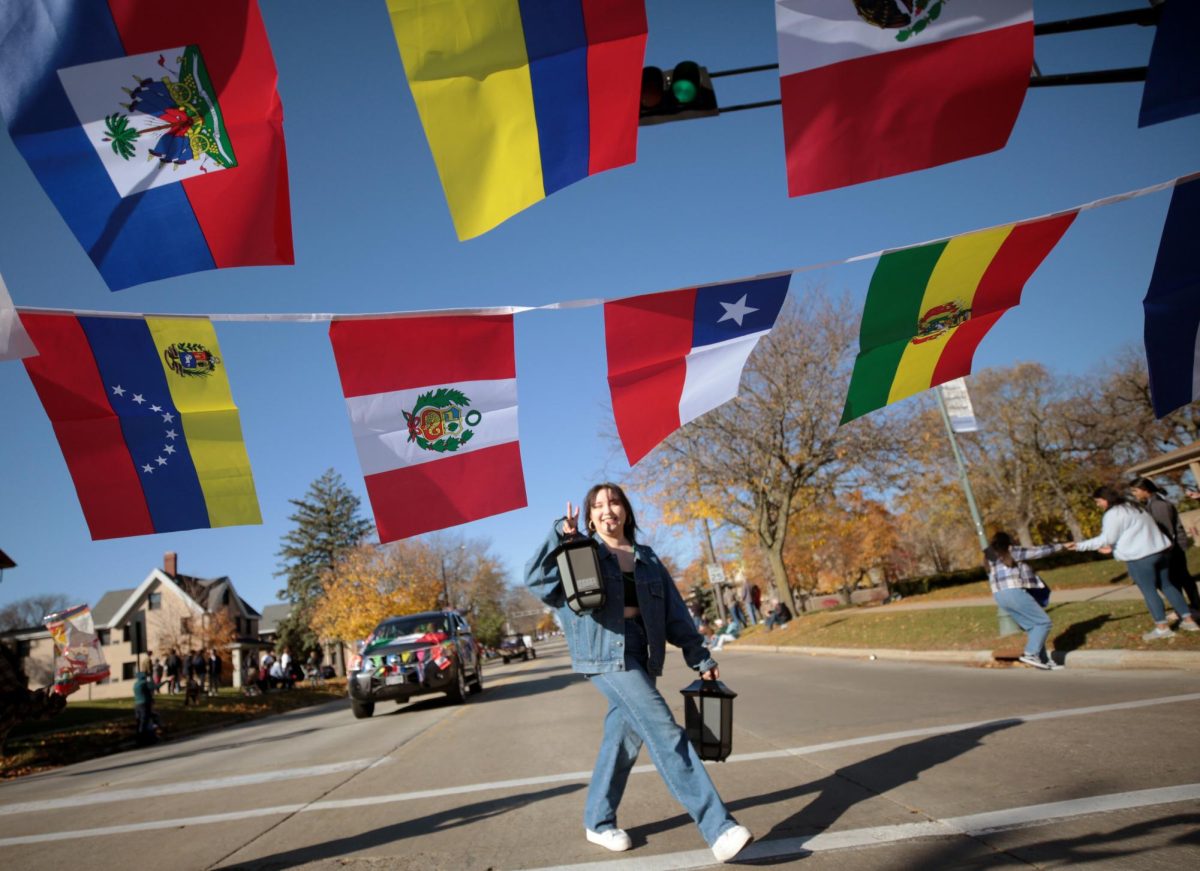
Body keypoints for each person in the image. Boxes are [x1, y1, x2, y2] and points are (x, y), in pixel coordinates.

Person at [525, 483, 752, 864]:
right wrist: (558, 535)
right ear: (589, 515)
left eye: (613, 502)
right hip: (603, 653)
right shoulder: (580, 552)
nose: (606, 509)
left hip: (642, 653)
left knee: (622, 741)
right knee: (665, 731)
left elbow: (675, 615)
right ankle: (718, 827)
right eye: (597, 505)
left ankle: (598, 821)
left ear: (626, 511)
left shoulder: (647, 558)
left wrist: (701, 659)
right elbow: (536, 582)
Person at [1073, 485, 1199, 640]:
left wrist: (1078, 546)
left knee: (1149, 591)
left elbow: (1107, 538)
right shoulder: (1132, 506)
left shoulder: (1113, 514)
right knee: (1168, 585)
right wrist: (1113, 548)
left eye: (1098, 501)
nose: (1098, 505)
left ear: (1105, 500)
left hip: (1140, 558)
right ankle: (1189, 620)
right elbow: (1132, 533)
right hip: (1161, 552)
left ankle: (1162, 628)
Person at [983, 532, 1068, 670]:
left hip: (999, 596)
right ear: (1008, 542)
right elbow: (1037, 552)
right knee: (1043, 622)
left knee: (1032, 626)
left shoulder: (989, 557)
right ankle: (1030, 653)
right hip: (1013, 591)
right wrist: (1062, 546)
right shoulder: (1011, 551)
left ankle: (1042, 661)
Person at [1130, 477, 1200, 619]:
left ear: (1145, 490)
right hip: (1168, 548)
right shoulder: (1151, 503)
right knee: (1175, 579)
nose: (1134, 494)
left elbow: (1166, 531)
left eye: (1135, 491)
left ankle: (1195, 608)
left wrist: (1162, 549)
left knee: (1182, 578)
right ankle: (1183, 609)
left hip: (1172, 548)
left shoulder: (1158, 505)